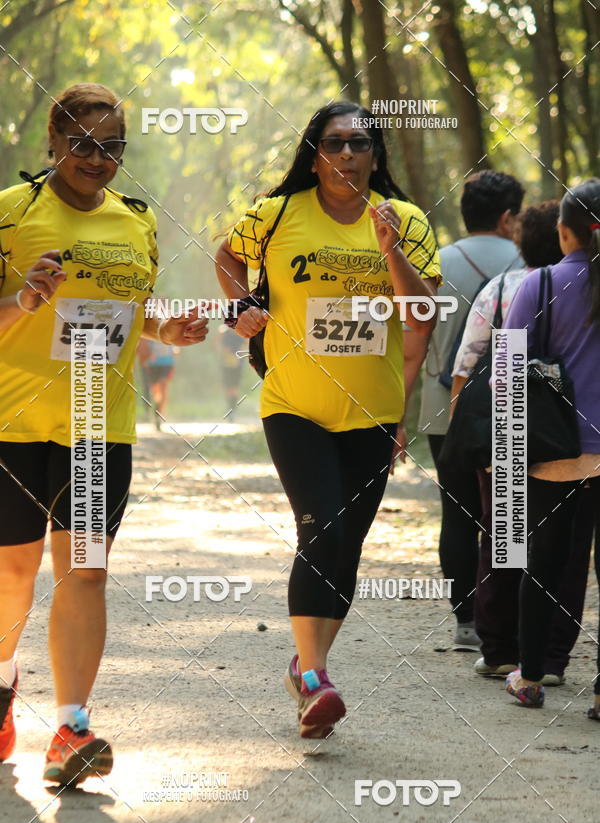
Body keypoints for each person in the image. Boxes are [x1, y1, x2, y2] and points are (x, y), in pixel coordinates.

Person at [0, 83, 208, 784]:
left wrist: (166, 328)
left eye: (113, 145)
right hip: (14, 424)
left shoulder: (136, 223)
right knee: (12, 575)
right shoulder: (11, 213)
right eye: (84, 143)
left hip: (99, 423)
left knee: (85, 570)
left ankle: (71, 729)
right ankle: (2, 682)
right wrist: (23, 300)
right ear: (54, 142)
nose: (98, 157)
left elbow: (135, 312)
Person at [215, 101, 441, 738]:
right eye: (334, 143)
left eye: (360, 144)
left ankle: (308, 666)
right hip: (295, 404)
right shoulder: (277, 214)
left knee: (348, 549)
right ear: (313, 154)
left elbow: (422, 314)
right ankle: (314, 679)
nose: (347, 154)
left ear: (377, 156)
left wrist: (391, 249)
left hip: (373, 412)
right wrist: (243, 303)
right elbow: (226, 256)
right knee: (323, 530)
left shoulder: (410, 220)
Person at [449, 201, 594, 683]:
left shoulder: (520, 286)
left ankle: (505, 653)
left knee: (511, 545)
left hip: (533, 442)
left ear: (564, 235)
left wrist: (495, 446)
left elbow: (482, 367)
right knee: (573, 557)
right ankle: (553, 658)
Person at [499, 179, 600, 713]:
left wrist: (510, 449)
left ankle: (531, 677)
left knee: (545, 561)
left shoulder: (538, 287)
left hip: (557, 449)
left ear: (564, 233)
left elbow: (507, 372)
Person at [414, 170, 524, 649]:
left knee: (455, 512)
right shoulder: (532, 262)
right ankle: (503, 620)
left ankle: (464, 623)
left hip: (443, 407)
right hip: (514, 406)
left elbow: (415, 338)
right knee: (508, 514)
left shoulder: (433, 264)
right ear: (506, 217)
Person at [137, 339, 177, 431]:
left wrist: (175, 353)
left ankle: (159, 416)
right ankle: (155, 411)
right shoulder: (150, 325)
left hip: (167, 362)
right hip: (152, 363)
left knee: (163, 388)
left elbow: (174, 342)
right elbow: (143, 342)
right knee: (155, 391)